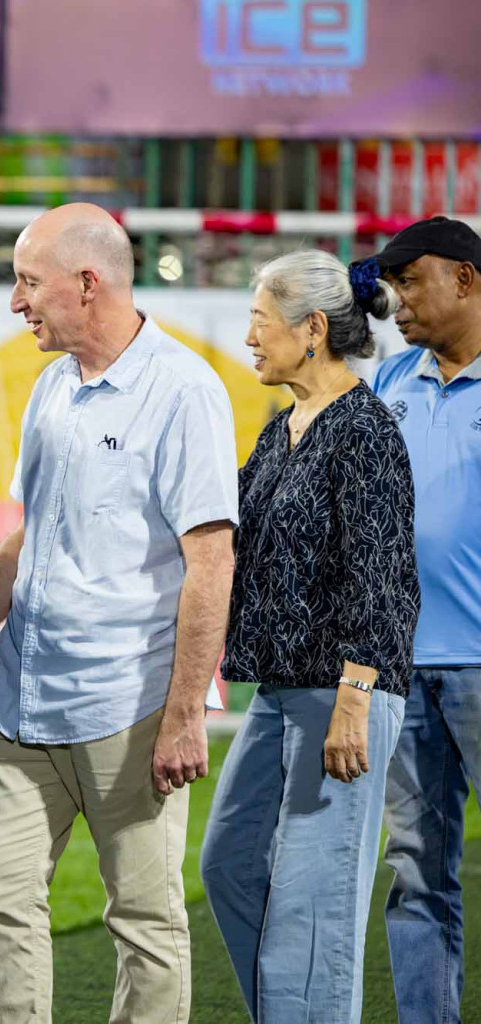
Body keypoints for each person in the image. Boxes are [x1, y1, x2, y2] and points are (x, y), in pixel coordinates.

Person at [0, 203, 238, 1024]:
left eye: (27, 282)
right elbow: (30, 539)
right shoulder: (49, 387)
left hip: (130, 707)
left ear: (88, 283)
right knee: (1, 912)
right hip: (16, 703)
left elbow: (211, 564)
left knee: (144, 925)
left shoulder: (184, 391)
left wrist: (187, 711)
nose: (15, 302)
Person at [199, 250, 418, 1023]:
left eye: (260, 320)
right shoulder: (279, 430)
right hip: (280, 695)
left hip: (342, 695)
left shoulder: (365, 430)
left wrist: (355, 702)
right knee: (229, 864)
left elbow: (383, 577)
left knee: (312, 909)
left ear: (312, 329)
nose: (249, 337)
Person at [371, 216, 481, 1023]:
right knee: (415, 871)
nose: (396, 300)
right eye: (392, 284)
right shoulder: (389, 381)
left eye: (412, 281)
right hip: (400, 668)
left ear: (467, 281)